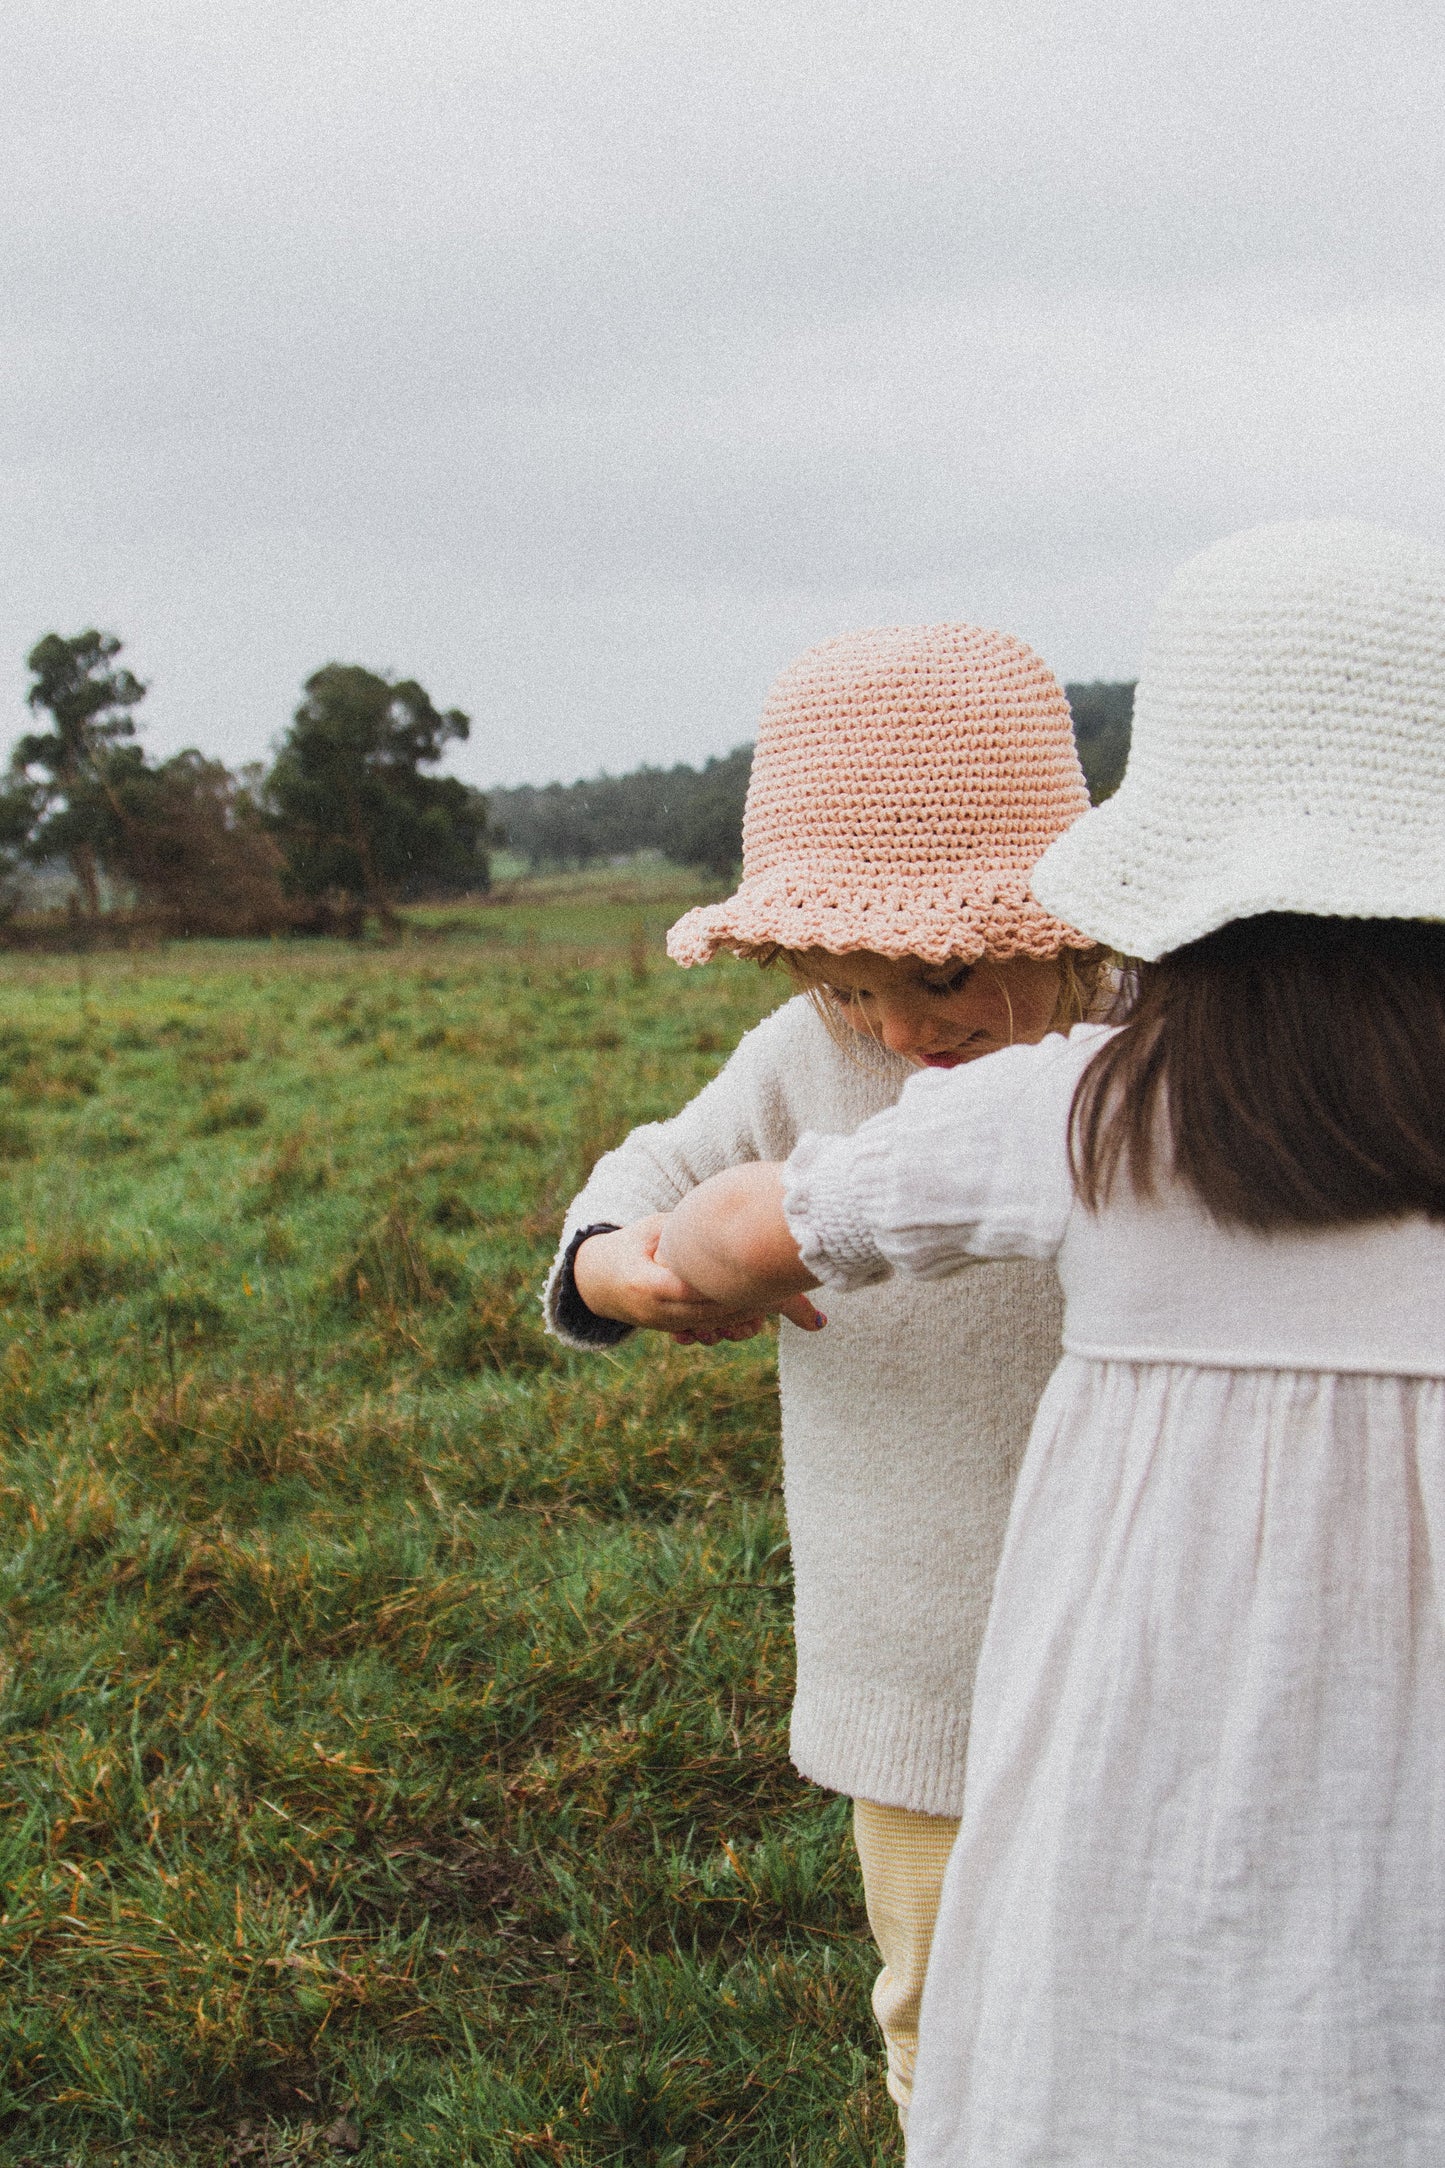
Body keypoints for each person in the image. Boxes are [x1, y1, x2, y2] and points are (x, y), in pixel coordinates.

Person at [647, 519, 1445, 2164]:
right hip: (1306, 1705)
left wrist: (697, 1267)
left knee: (1090, 2020)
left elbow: (739, 1223)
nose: (890, 1023)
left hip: (1126, 1704)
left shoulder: (1082, 1107)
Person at [543, 622, 1104, 2127]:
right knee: (935, 2001)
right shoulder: (802, 1058)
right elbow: (640, 1177)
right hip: (911, 1650)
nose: (900, 1026)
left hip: (1134, 1626)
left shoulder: (1144, 1039)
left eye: (941, 970)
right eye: (852, 986)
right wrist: (625, 1268)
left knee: (1125, 1986)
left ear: (1059, 914)